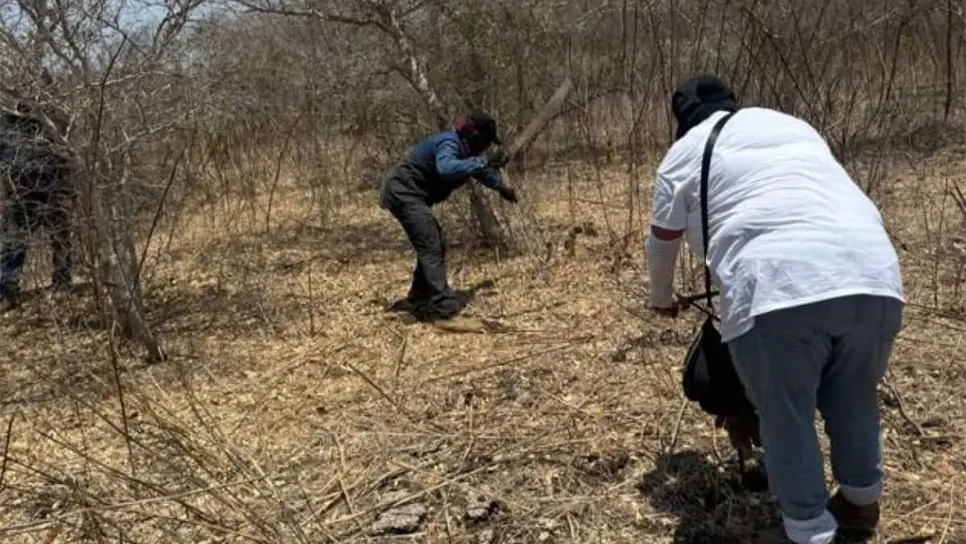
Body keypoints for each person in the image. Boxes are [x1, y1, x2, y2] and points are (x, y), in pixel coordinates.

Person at [645, 75, 905, 544]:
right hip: (875, 275)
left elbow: (662, 243)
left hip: (777, 284)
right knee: (854, 396)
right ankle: (860, 508)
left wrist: (662, 299)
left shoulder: (684, 153)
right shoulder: (790, 126)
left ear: (682, 121)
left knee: (785, 414)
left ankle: (808, 532)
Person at [379, 110, 518, 322]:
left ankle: (418, 297)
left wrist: (501, 187)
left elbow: (478, 171)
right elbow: (446, 168)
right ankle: (442, 304)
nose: (487, 147)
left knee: (434, 244)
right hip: (403, 192)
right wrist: (483, 161)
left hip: (412, 194)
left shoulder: (464, 151)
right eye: (487, 142)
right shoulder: (449, 144)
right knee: (431, 243)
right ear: (475, 137)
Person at [0, 102, 75, 311]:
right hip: (20, 194)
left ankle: (62, 282)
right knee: (14, 244)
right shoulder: (5, 122)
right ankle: (7, 291)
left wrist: (68, 188)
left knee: (60, 237)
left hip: (52, 188)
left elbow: (66, 152)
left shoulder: (48, 119)